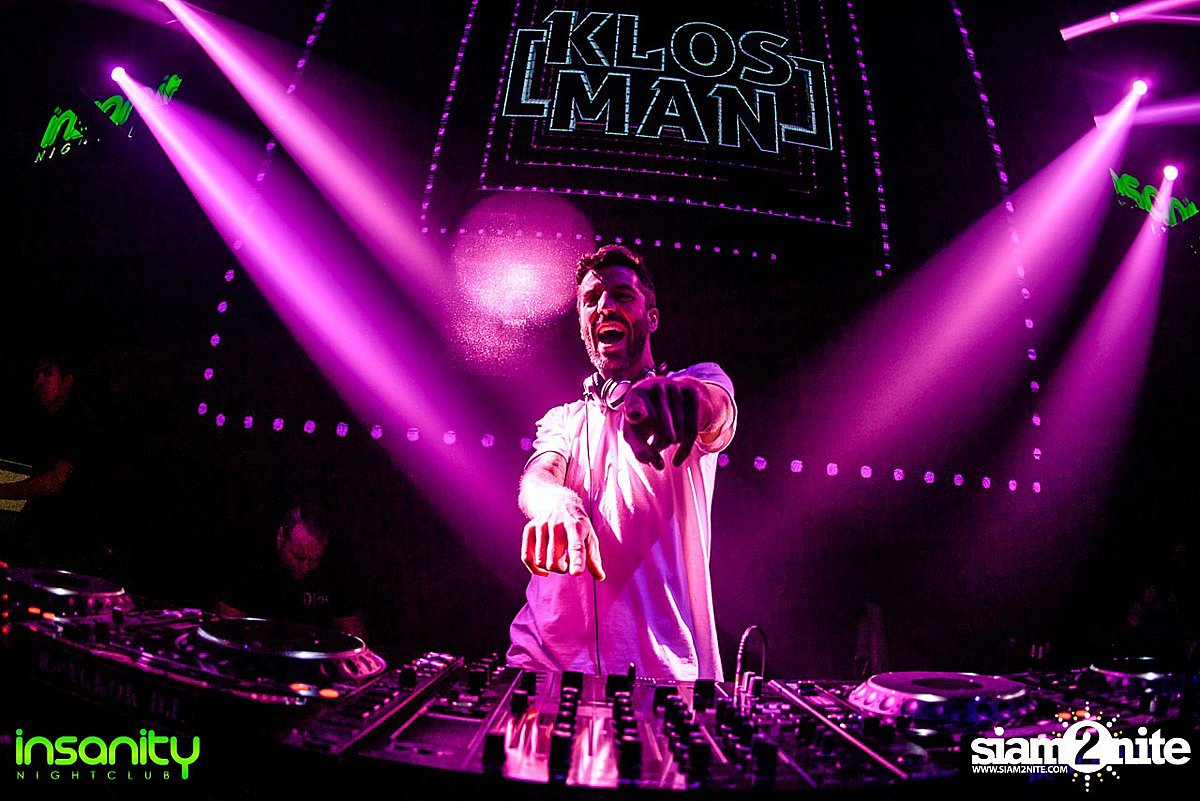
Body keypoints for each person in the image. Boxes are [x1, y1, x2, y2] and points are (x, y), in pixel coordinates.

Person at [507, 244, 736, 680]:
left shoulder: (699, 381)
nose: (605, 306)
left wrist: (679, 398)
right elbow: (539, 476)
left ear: (652, 317)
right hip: (540, 663)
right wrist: (558, 503)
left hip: (657, 674)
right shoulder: (564, 419)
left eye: (622, 296)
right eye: (591, 299)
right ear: (582, 324)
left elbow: (714, 407)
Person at [215, 501, 367, 639]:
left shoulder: (334, 570)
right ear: (280, 536)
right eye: (299, 557)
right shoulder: (252, 563)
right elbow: (225, 631)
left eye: (314, 560)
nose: (305, 567)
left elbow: (356, 639)